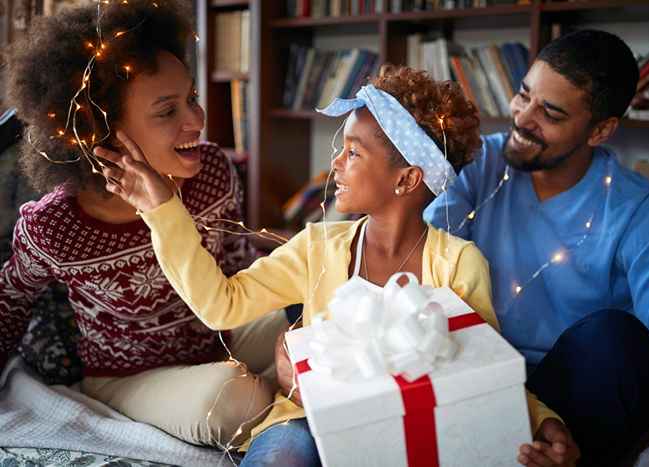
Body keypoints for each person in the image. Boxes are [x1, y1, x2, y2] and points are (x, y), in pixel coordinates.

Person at [95, 65, 576, 466]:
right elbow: (222, 305)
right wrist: (162, 209)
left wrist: (543, 419)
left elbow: (481, 370)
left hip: (413, 429)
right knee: (287, 452)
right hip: (308, 420)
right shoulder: (318, 246)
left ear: (407, 178)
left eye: (353, 153)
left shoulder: (458, 264)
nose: (336, 165)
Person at [0, 0, 289, 447]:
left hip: (220, 336)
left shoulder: (213, 171)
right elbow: (10, 305)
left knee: (325, 316)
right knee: (235, 400)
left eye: (191, 98)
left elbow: (237, 268)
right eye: (166, 110)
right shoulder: (54, 227)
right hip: (130, 378)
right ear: (100, 130)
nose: (197, 120)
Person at [424, 29, 649, 466]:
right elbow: (412, 251)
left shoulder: (643, 217)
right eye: (523, 95)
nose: (522, 118)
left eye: (549, 113)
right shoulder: (479, 164)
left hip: (576, 404)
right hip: (475, 378)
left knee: (615, 340)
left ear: (601, 130)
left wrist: (633, 451)